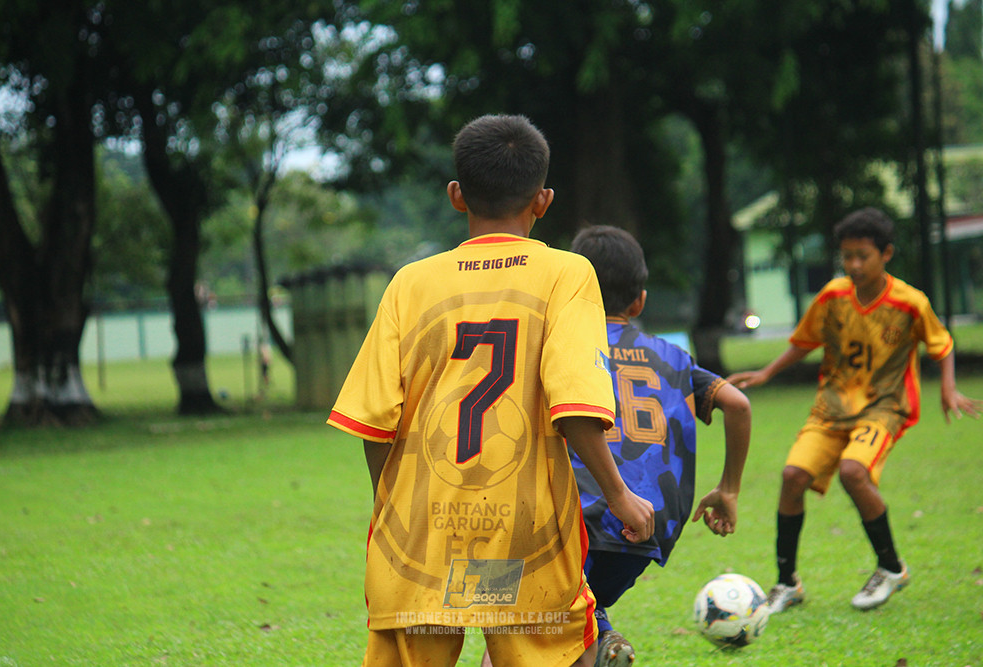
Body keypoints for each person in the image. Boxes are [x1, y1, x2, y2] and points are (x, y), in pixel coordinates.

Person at [326, 115, 655, 667]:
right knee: (564, 652)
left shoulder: (410, 283)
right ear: (543, 200)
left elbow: (374, 423)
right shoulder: (567, 274)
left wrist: (394, 503)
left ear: (457, 195)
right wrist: (619, 494)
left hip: (421, 538)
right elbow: (573, 406)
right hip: (521, 535)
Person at [728, 207, 982, 613]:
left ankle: (891, 567)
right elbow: (804, 340)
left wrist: (948, 389)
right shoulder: (832, 297)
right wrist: (767, 372)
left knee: (853, 471)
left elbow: (942, 343)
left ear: (886, 254)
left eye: (863, 255)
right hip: (831, 408)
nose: (854, 264)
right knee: (793, 476)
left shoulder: (910, 302)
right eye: (847, 256)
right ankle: (787, 582)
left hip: (884, 408)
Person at [568, 225, 752, 664]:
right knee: (571, 618)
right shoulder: (673, 358)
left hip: (581, 522)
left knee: (523, 627)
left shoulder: (568, 350)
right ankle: (602, 635)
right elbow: (738, 405)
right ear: (640, 301)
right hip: (648, 531)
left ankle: (599, 639)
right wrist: (728, 489)